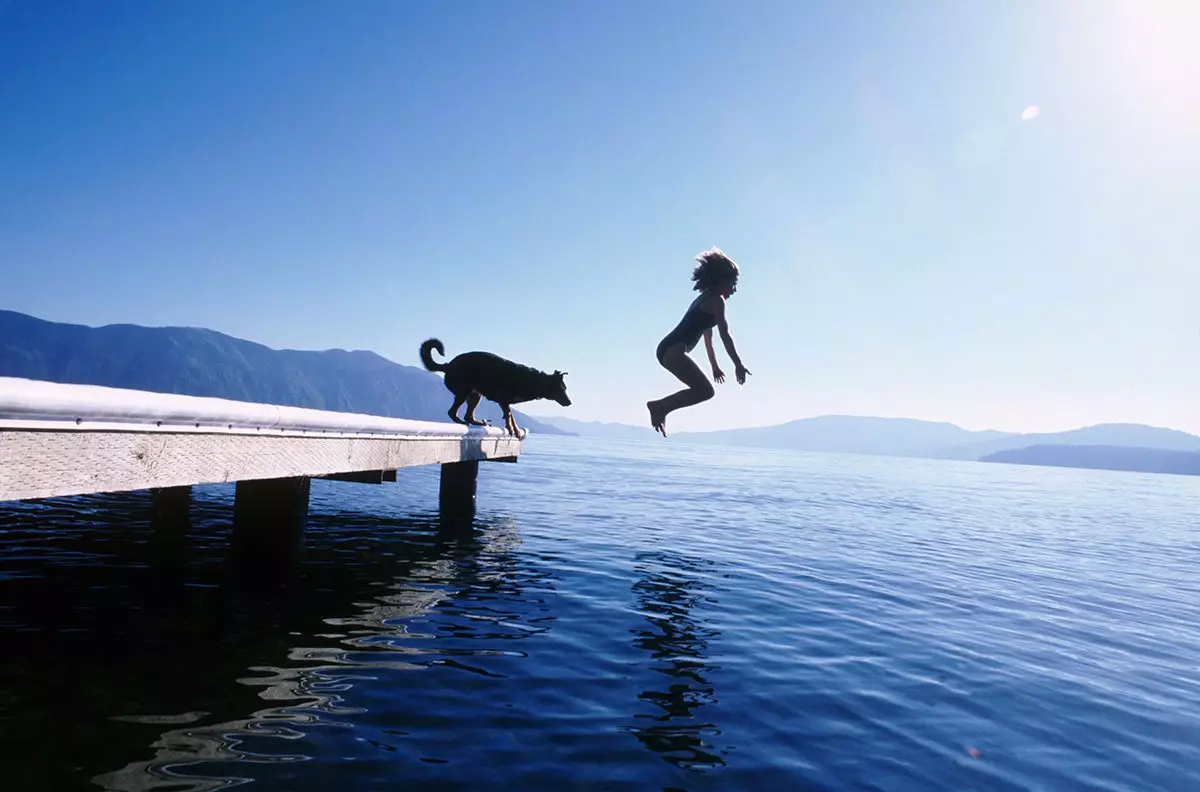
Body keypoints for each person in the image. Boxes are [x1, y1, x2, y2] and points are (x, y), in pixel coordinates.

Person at [647, 248, 750, 436]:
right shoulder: (717, 301)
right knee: (705, 391)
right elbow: (725, 335)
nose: (734, 289)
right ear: (720, 281)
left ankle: (661, 407)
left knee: (702, 390)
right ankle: (659, 406)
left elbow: (708, 339)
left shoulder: (704, 299)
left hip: (667, 349)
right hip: (674, 351)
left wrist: (715, 367)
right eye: (733, 283)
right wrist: (738, 364)